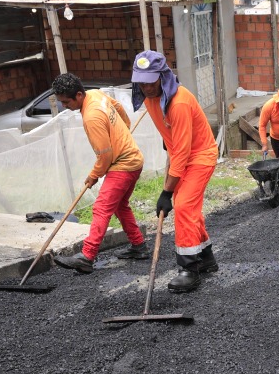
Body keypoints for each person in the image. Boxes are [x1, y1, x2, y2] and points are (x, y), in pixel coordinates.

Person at [131, 50, 218, 293]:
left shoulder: (178, 102)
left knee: (183, 207)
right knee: (187, 208)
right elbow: (172, 138)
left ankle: (189, 269)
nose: (146, 87)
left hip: (200, 156)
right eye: (141, 81)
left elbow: (181, 153)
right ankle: (206, 258)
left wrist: (166, 193)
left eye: (150, 81)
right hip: (183, 154)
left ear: (163, 76)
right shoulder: (150, 98)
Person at [48, 73, 147, 274]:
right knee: (120, 206)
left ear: (78, 95)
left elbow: (105, 156)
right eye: (61, 102)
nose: (64, 106)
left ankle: (87, 256)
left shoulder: (91, 117)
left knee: (101, 208)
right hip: (134, 161)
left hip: (123, 164)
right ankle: (139, 246)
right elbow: (118, 108)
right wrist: (124, 129)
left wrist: (93, 176)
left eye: (66, 102)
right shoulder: (95, 94)